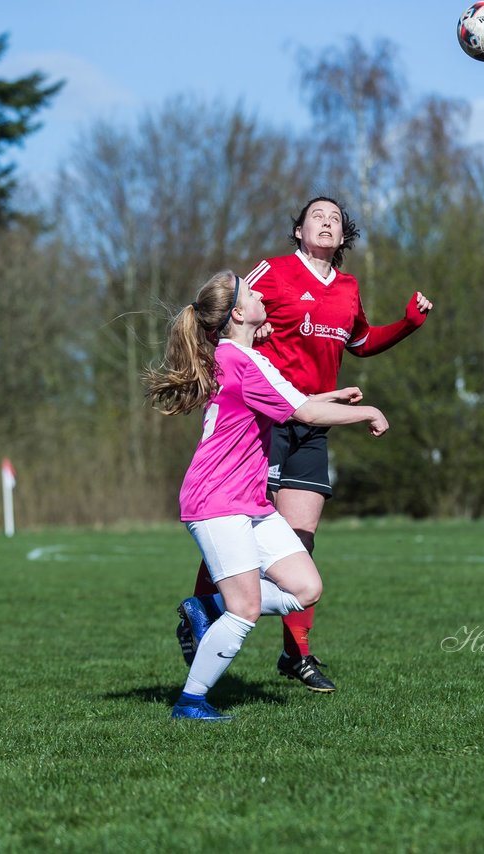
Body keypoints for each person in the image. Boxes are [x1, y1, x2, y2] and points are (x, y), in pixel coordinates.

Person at [177, 197, 433, 694]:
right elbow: (227, 313)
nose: (327, 221)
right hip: (270, 418)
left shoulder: (349, 289)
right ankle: (203, 614)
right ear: (298, 230)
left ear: (342, 238)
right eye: (317, 215)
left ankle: (296, 654)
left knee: (301, 540)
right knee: (236, 523)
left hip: (315, 423)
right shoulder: (270, 274)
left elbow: (361, 344)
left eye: (335, 218)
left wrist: (406, 325)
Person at [146, 270, 389, 721]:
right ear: (239, 313)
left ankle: (206, 605)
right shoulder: (244, 361)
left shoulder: (237, 358)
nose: (261, 294)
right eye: (252, 292)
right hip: (217, 500)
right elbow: (301, 410)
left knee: (305, 588)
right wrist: (368, 412)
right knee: (247, 609)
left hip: (249, 502)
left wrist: (329, 395)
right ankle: (190, 702)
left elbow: (289, 398)